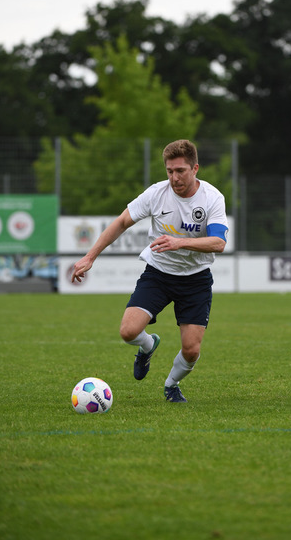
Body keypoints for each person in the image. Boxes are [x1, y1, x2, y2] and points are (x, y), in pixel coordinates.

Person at [71, 139, 228, 403]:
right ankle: (148, 345)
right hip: (159, 274)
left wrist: (179, 242)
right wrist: (90, 256)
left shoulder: (212, 198)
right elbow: (122, 221)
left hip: (196, 279)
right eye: (170, 171)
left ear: (195, 168)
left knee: (191, 350)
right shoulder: (157, 193)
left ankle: (171, 385)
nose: (174, 178)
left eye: (181, 171)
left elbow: (219, 243)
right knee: (128, 331)